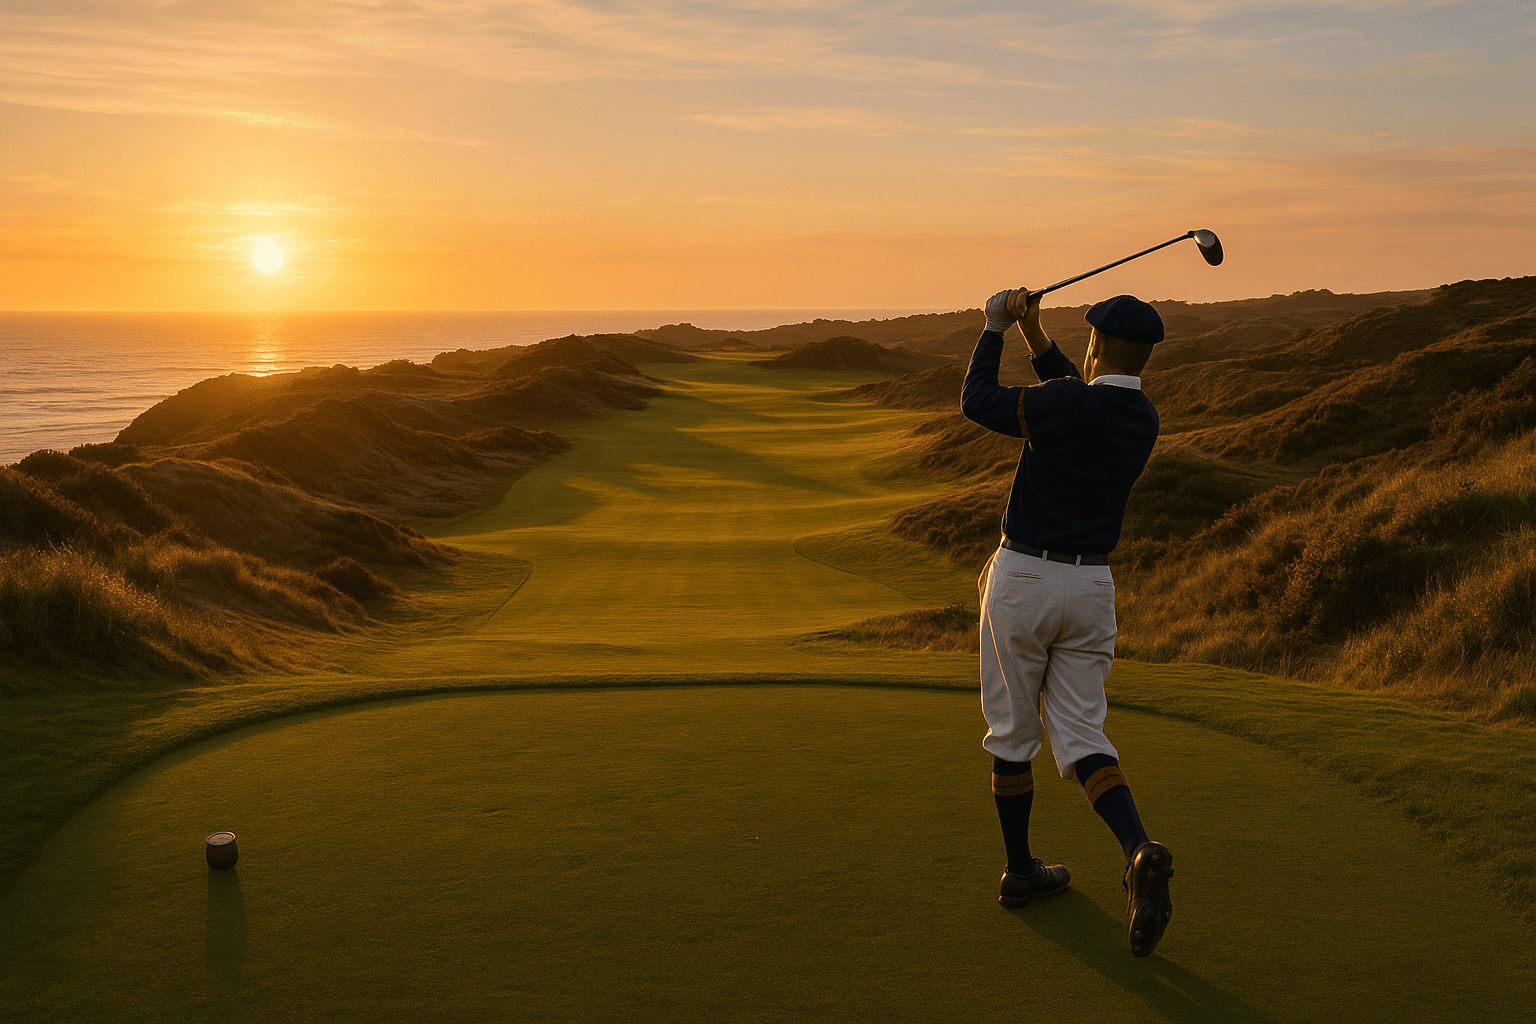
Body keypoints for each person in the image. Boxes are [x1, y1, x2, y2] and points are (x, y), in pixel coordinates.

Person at [959, 286, 1174, 958]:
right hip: (1090, 586)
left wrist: (994, 327)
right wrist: (1034, 329)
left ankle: (1021, 872)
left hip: (1024, 579)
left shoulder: (1062, 404)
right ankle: (1138, 848)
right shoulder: (1142, 417)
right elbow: (1072, 391)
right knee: (1081, 730)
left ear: (1096, 345)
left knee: (1013, 730)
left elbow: (977, 400)